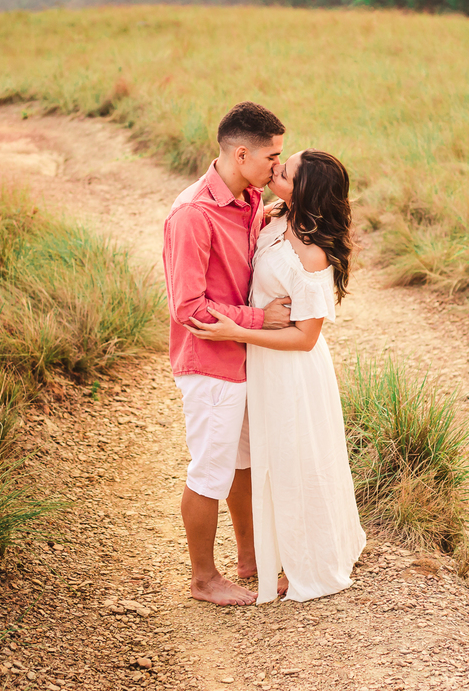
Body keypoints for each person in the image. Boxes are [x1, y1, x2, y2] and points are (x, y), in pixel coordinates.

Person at [186, 149, 367, 604]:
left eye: (284, 171)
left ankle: (305, 561)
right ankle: (261, 555)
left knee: (294, 461)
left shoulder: (313, 255)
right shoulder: (275, 215)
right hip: (259, 363)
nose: (275, 170)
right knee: (259, 460)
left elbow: (305, 337)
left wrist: (235, 329)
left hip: (290, 371)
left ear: (301, 189)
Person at [162, 101, 294, 606]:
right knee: (210, 470)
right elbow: (188, 308)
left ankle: (250, 559)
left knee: (243, 463)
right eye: (272, 158)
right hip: (210, 365)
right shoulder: (193, 214)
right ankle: (202, 579)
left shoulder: (248, 200)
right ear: (242, 154)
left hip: (243, 359)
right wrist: (262, 319)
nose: (277, 167)